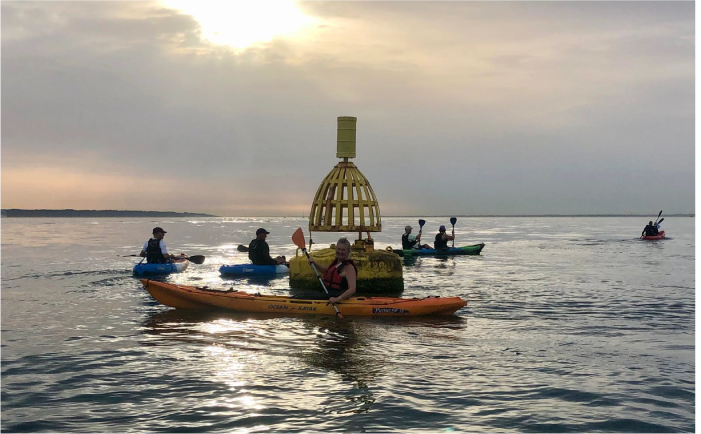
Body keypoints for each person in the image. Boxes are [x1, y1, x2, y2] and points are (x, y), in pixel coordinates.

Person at [308, 237, 357, 304]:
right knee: (301, 295)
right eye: (339, 249)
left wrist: (337, 299)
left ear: (348, 251)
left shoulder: (349, 267)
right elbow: (327, 272)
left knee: (302, 297)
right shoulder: (337, 262)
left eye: (343, 250)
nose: (340, 252)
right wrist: (314, 264)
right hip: (328, 294)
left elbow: (352, 289)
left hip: (337, 296)